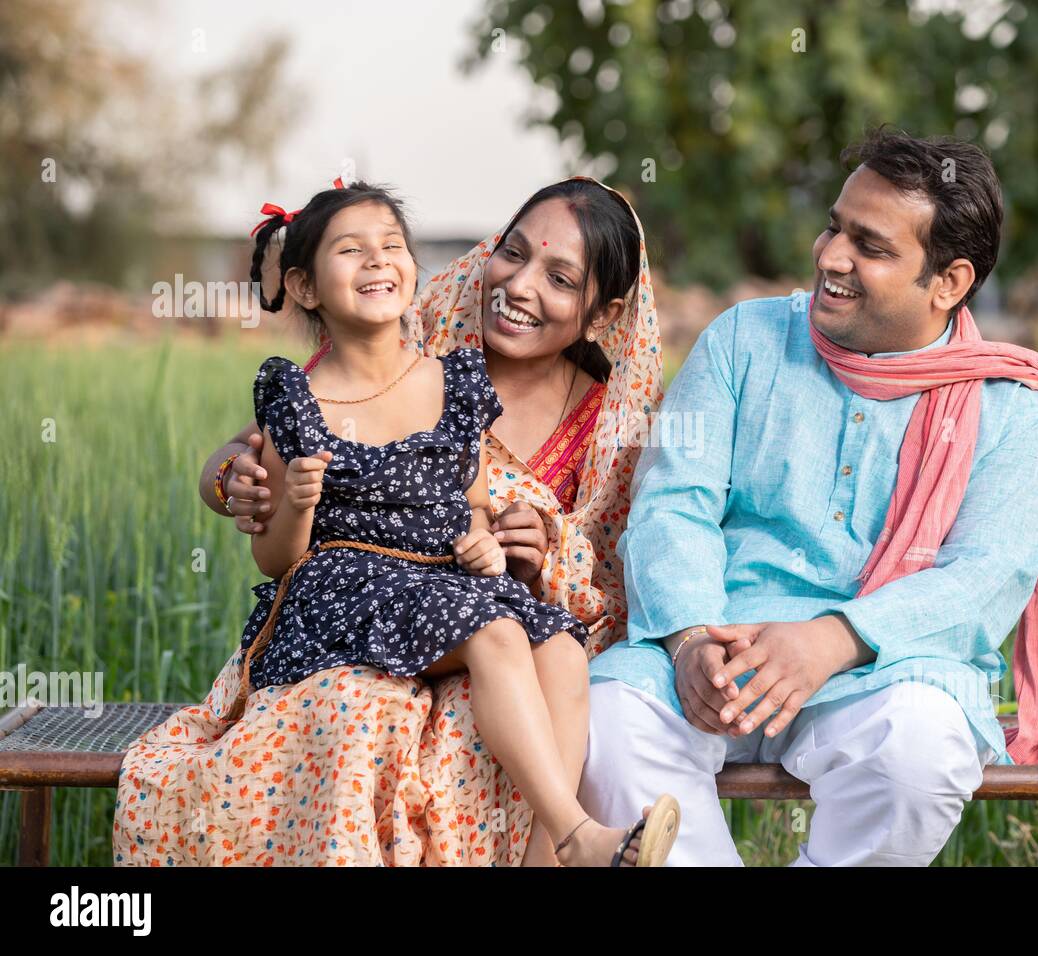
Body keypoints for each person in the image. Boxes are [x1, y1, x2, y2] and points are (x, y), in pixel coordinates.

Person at [578, 127, 1038, 866]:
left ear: (947, 283)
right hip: (715, 653)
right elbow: (672, 504)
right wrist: (691, 638)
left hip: (882, 671)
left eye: (872, 246)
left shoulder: (1007, 406)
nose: (830, 256)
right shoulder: (744, 341)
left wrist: (834, 638)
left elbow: (988, 576)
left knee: (919, 756)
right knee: (609, 722)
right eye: (833, 226)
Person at [113, 177, 671, 866]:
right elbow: (251, 460)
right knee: (481, 649)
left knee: (558, 651)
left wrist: (531, 548)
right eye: (513, 253)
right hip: (379, 607)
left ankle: (551, 856)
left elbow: (602, 574)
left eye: (558, 276)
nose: (521, 286)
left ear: (602, 311)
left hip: (470, 597)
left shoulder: (603, 420)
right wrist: (232, 477)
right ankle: (578, 837)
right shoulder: (418, 336)